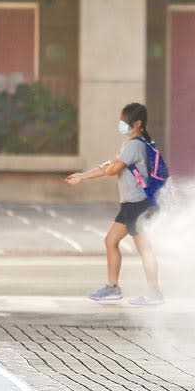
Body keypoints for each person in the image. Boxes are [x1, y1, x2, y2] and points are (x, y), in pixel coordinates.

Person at [65, 103, 163, 305]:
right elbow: (110, 167)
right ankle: (112, 288)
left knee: (144, 249)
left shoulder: (135, 145)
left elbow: (111, 169)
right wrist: (83, 176)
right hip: (130, 205)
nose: (122, 124)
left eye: (125, 121)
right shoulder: (131, 144)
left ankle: (154, 292)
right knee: (111, 241)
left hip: (138, 205)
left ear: (137, 124)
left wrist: (106, 167)